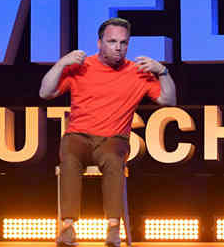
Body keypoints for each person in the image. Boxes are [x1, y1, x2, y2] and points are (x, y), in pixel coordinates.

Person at [39, 17, 176, 247]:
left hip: (114, 139)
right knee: (69, 158)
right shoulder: (81, 67)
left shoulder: (138, 72)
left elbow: (169, 100)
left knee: (113, 159)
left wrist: (163, 71)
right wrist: (61, 63)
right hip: (79, 136)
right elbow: (45, 92)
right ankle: (67, 228)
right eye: (112, 41)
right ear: (99, 42)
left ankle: (113, 228)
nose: (118, 47)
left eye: (123, 42)